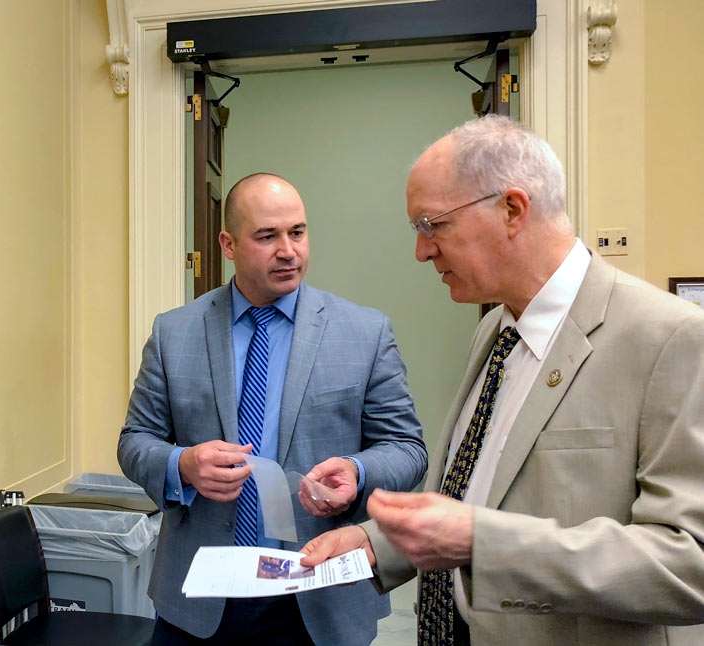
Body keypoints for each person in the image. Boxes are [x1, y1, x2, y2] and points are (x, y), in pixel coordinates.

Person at [300, 115, 704, 646]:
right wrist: (374, 542)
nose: (421, 252)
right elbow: (478, 495)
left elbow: (690, 562)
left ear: (512, 209)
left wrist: (481, 542)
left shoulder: (669, 338)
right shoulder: (496, 328)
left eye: (432, 225)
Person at [118, 173, 427, 646]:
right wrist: (182, 464)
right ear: (228, 244)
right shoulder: (173, 333)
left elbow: (407, 449)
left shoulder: (364, 334)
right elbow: (135, 441)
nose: (288, 251)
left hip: (319, 592)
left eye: (297, 232)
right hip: (200, 598)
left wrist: (357, 471)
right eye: (267, 236)